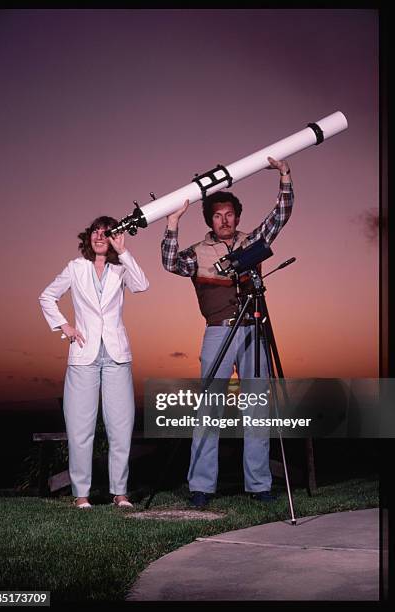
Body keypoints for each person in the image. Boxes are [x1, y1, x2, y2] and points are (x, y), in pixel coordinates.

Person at [161, 157, 294, 508]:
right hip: (218, 333)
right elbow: (170, 263)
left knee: (256, 407)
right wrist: (172, 223)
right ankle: (202, 487)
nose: (224, 220)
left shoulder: (253, 241)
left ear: (236, 216)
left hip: (253, 329)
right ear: (210, 220)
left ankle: (259, 485)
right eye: (217, 215)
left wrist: (284, 175)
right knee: (210, 408)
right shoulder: (197, 253)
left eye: (229, 214)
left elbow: (280, 215)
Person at [39, 216, 149, 509]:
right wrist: (65, 327)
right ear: (88, 238)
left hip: (116, 358)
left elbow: (142, 285)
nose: (100, 237)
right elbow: (47, 297)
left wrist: (124, 251)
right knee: (80, 428)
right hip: (83, 359)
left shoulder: (120, 268)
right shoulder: (76, 268)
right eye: (95, 233)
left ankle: (120, 494)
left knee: (121, 427)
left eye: (106, 233)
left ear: (114, 237)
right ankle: (81, 495)